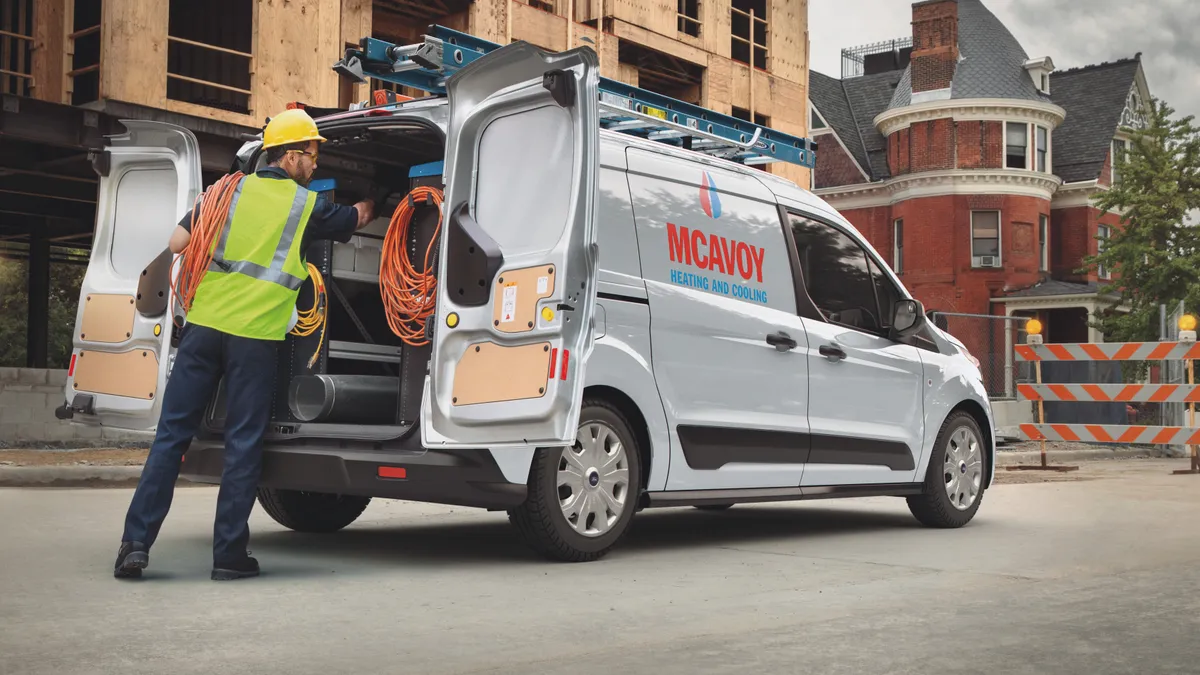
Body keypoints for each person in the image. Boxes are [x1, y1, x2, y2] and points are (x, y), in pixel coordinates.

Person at [113, 108, 380, 581]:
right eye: (312, 155)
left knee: (172, 437)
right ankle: (228, 557)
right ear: (291, 156)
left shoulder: (227, 191)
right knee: (242, 445)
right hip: (254, 339)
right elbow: (350, 220)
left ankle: (134, 546)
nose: (315, 165)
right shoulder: (305, 206)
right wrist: (375, 202)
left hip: (204, 327)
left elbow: (177, 242)